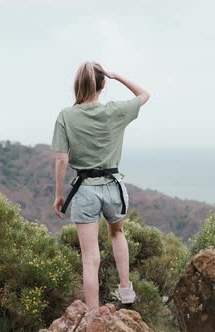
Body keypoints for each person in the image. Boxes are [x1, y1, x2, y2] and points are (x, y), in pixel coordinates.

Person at [50, 61, 151, 310]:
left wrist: (59, 195)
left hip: (84, 190)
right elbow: (144, 94)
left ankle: (93, 315)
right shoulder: (115, 111)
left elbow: (62, 159)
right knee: (117, 234)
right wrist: (117, 76)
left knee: (89, 258)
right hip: (113, 187)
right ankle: (126, 291)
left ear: (78, 85)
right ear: (102, 84)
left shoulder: (66, 115)